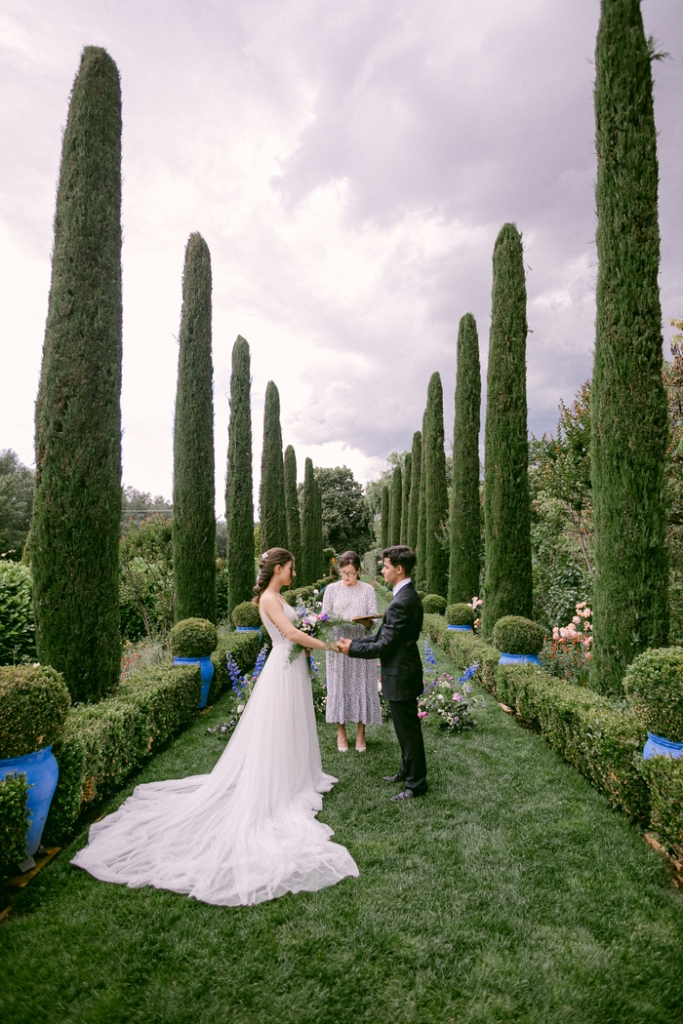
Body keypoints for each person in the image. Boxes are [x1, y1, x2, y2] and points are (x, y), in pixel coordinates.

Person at [71, 548, 359, 906]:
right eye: (291, 568)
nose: (294, 573)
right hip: (281, 672)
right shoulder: (269, 599)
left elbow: (296, 631)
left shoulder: (278, 596)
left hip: (291, 668)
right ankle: (277, 784)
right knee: (278, 730)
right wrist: (326, 644)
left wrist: (309, 637)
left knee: (293, 727)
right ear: (280, 569)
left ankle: (297, 777)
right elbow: (289, 633)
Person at [336, 545, 427, 802]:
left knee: (409, 732)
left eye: (385, 566)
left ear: (399, 569)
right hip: (402, 671)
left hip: (401, 675)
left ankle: (416, 784)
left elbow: (384, 645)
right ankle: (406, 771)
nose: (382, 569)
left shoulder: (403, 601)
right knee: (404, 730)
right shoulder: (403, 596)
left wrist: (352, 649)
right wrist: (354, 644)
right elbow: (381, 637)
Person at [322, 550, 381, 753]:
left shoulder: (367, 591)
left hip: (361, 643)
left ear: (359, 571)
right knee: (339, 685)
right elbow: (324, 617)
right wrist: (332, 621)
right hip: (338, 645)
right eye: (344, 573)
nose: (347, 577)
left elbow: (373, 620)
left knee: (362, 685)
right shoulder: (331, 589)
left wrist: (365, 621)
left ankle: (360, 732)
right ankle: (341, 731)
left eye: (351, 573)